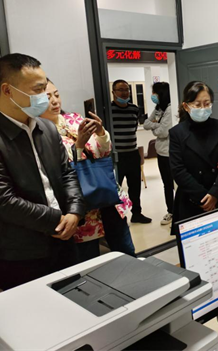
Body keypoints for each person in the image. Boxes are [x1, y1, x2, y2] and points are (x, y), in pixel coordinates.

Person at [0, 54, 86, 290]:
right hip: (18, 257)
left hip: (63, 243)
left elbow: (67, 174)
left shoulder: (47, 128)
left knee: (75, 302)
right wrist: (56, 220)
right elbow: (1, 202)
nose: (45, 96)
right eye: (38, 90)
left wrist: (75, 211)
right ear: (7, 90)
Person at [41, 80, 135, 262]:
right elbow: (59, 171)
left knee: (126, 252)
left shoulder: (74, 119)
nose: (55, 101)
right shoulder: (40, 134)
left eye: (57, 95)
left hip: (108, 197)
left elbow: (103, 152)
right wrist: (78, 146)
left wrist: (100, 133)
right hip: (82, 208)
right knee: (89, 262)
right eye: (47, 97)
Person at [169, 81, 218, 235]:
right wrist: (203, 197)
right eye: (197, 104)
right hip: (191, 199)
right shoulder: (177, 133)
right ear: (186, 106)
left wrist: (215, 194)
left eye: (207, 103)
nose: (203, 108)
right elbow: (178, 170)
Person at [111, 79, 151, 224]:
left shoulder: (134, 109)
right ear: (113, 92)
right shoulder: (109, 109)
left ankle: (137, 214)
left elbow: (133, 128)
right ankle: (117, 217)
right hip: (116, 156)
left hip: (132, 153)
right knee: (116, 188)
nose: (125, 92)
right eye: (120, 90)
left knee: (135, 187)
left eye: (126, 89)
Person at [142, 82, 174, 225]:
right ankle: (171, 211)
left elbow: (163, 132)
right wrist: (157, 125)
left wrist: (155, 126)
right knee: (166, 184)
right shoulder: (158, 109)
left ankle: (179, 210)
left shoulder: (170, 109)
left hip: (171, 153)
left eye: (155, 93)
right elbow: (145, 124)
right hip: (161, 153)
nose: (153, 96)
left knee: (175, 183)